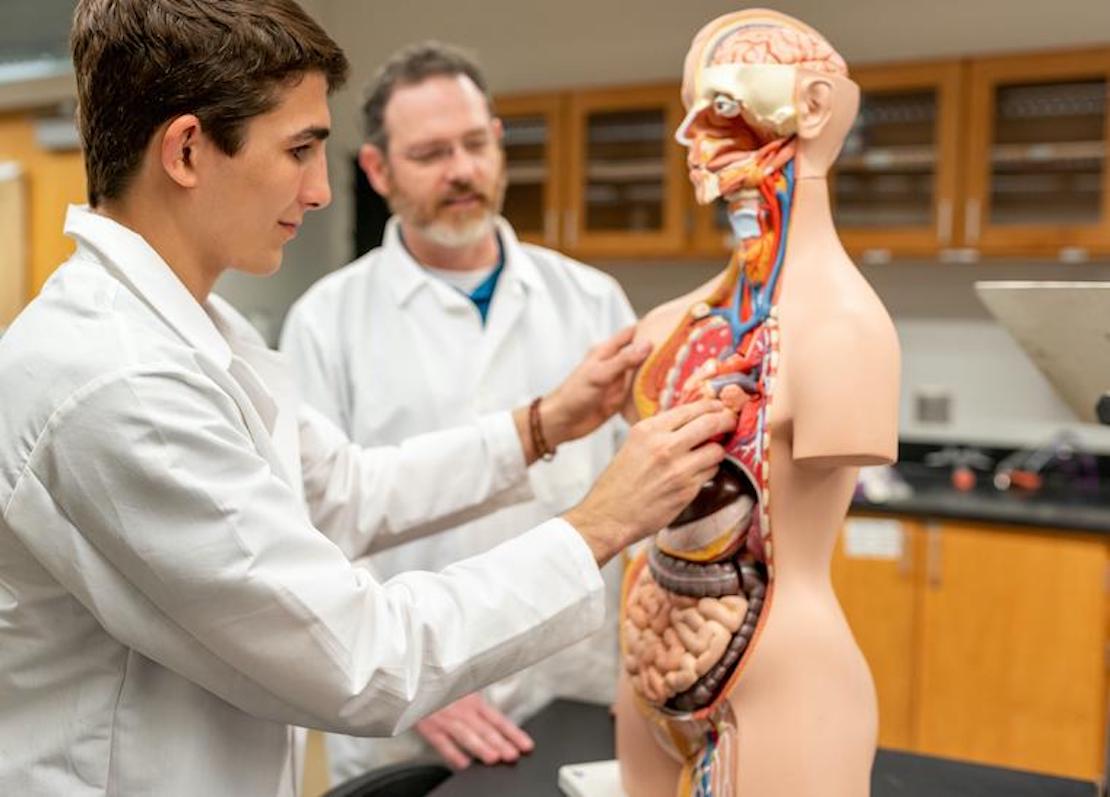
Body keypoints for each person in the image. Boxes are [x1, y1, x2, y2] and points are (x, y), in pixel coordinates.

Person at [0, 2, 735, 796]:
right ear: (186, 150)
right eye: (299, 149)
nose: (319, 191)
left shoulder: (198, 333)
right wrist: (601, 522)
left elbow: (347, 490)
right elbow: (358, 654)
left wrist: (540, 425)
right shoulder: (121, 382)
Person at [280, 41, 636, 778]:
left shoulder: (592, 300)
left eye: (475, 144)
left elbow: (647, 487)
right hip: (409, 721)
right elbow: (311, 531)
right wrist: (409, 680)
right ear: (377, 170)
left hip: (571, 694)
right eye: (431, 152)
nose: (462, 170)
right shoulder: (326, 321)